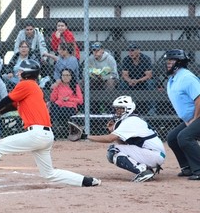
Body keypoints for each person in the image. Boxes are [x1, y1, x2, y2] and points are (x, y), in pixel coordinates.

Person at [0, 59, 101, 193]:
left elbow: (2, 103)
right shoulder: (31, 88)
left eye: (21, 71)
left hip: (36, 134)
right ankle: (87, 181)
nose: (18, 73)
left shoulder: (26, 85)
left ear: (26, 73)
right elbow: (5, 108)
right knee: (49, 174)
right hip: (45, 135)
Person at [73, 95, 166, 182]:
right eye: (117, 109)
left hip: (153, 154)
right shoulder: (132, 119)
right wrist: (112, 131)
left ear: (129, 109)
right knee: (116, 149)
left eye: (121, 109)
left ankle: (143, 171)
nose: (117, 111)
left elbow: (109, 139)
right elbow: (124, 144)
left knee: (113, 151)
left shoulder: (130, 121)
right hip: (153, 153)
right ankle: (145, 169)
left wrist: (85, 136)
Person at [164, 49, 200, 180]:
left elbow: (199, 99)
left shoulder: (187, 78)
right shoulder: (173, 79)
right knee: (172, 138)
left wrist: (195, 119)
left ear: (179, 62)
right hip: (190, 118)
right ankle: (188, 167)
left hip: (198, 116)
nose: (168, 64)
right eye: (167, 61)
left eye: (171, 61)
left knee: (185, 137)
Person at [120, 43, 156, 115]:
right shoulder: (126, 59)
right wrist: (129, 80)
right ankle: (124, 109)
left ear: (138, 51)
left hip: (143, 81)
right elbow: (124, 75)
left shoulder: (145, 59)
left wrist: (138, 81)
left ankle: (152, 110)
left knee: (150, 83)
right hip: (131, 82)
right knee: (122, 84)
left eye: (133, 50)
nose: (130, 53)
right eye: (129, 51)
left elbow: (148, 75)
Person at [50, 68, 83, 137]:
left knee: (59, 110)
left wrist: (69, 99)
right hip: (58, 106)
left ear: (71, 76)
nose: (65, 77)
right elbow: (53, 99)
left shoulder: (75, 86)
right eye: (63, 75)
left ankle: (56, 129)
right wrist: (55, 86)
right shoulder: (59, 86)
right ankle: (55, 128)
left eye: (68, 75)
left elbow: (80, 100)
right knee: (54, 107)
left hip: (70, 107)